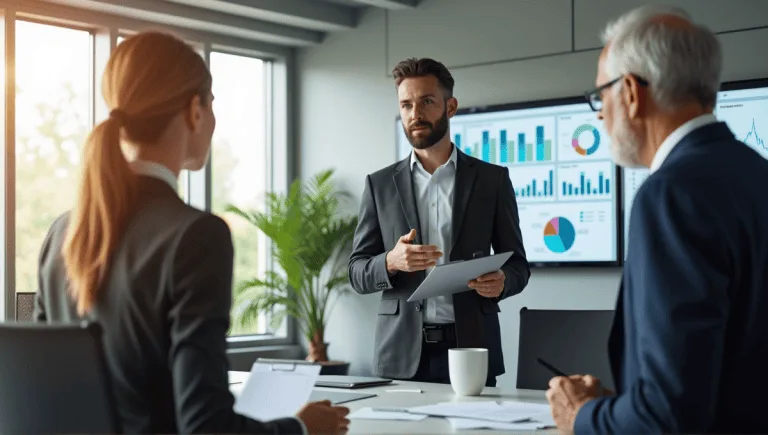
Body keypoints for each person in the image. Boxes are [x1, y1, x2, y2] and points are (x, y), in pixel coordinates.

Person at [33, 31, 349, 435]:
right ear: (194, 111)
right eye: (212, 104)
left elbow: (46, 393)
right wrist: (300, 429)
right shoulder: (196, 236)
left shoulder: (61, 233)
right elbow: (206, 427)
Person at [545, 5, 768, 434]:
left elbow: (669, 416)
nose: (599, 114)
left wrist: (582, 416)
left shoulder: (670, 194)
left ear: (630, 92)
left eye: (600, 95)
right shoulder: (756, 174)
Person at [348, 57, 530, 387]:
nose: (414, 114)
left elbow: (519, 264)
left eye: (426, 102)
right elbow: (357, 272)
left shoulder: (492, 180)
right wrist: (391, 261)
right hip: (400, 353)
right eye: (406, 105)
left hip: (471, 348)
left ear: (450, 106)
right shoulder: (379, 185)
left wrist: (503, 281)